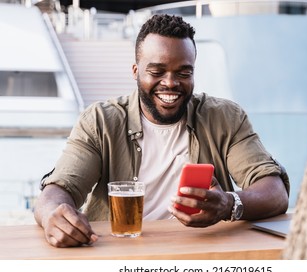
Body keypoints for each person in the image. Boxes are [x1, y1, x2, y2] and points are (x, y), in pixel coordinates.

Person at [34, 14, 290, 248]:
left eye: (183, 72)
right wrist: (53, 216)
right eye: (156, 71)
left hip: (204, 253)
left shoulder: (226, 117)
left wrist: (229, 204)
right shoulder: (100, 121)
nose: (170, 83)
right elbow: (59, 189)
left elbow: (274, 191)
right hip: (118, 255)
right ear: (136, 71)